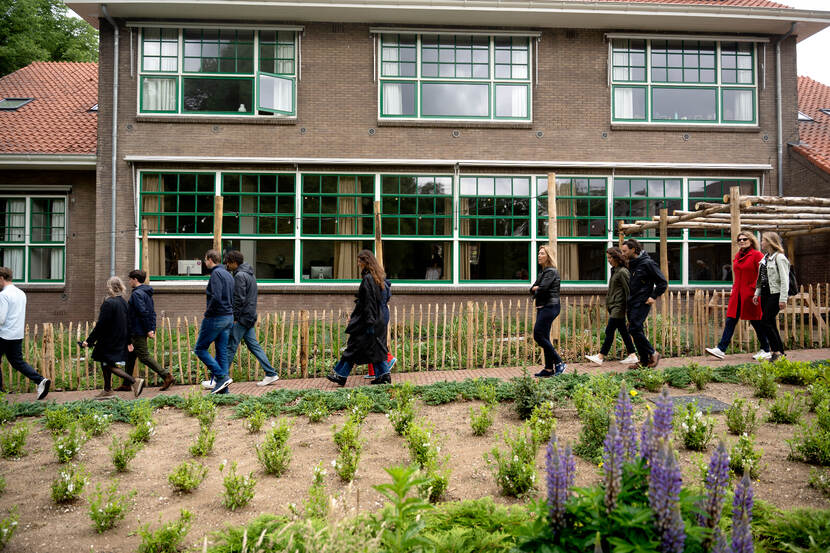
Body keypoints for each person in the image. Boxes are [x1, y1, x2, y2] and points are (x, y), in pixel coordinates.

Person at [326, 250, 388, 386]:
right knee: (375, 348)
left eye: (359, 261)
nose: (358, 263)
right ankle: (383, 376)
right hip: (376, 319)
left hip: (367, 321)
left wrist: (368, 321)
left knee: (355, 347)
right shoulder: (377, 278)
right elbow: (379, 300)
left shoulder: (368, 279)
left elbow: (368, 303)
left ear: (366, 262)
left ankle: (341, 375)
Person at [706, 231, 769, 361]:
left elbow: (763, 275)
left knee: (756, 321)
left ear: (751, 241)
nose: (741, 241)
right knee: (730, 320)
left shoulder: (757, 255)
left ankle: (766, 349)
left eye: (744, 239)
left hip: (751, 295)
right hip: (738, 294)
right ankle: (721, 349)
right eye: (739, 239)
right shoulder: (738, 256)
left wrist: (755, 290)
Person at [222, 250, 279, 387]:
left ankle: (221, 377)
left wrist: (234, 317)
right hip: (249, 316)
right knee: (254, 346)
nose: (227, 266)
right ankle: (271, 373)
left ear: (234, 262)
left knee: (230, 346)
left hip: (242, 318)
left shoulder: (240, 276)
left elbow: (239, 299)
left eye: (228, 263)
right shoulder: (250, 274)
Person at [83, 277, 144, 399]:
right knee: (106, 362)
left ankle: (133, 381)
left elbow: (101, 325)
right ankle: (107, 390)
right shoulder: (123, 302)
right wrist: (128, 341)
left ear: (110, 287)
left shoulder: (109, 303)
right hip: (119, 338)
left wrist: (89, 341)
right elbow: (129, 324)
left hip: (108, 339)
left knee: (107, 363)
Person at [118, 269, 174, 391]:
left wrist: (149, 329)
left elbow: (143, 312)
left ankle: (166, 375)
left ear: (135, 280)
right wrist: (151, 328)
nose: (129, 282)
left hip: (137, 330)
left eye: (130, 279)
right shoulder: (146, 293)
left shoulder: (137, 294)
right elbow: (152, 313)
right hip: (139, 329)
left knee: (144, 356)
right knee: (130, 355)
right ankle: (127, 383)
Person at [0, 267, 50, 399]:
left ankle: (0, 391)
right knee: (18, 362)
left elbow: (1, 319)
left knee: (15, 362)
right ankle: (40, 380)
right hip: (17, 334)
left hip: (3, 334)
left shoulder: (3, 295)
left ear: (1, 278)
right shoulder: (21, 293)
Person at [585, 247, 638, 366]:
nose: (608, 260)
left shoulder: (623, 272)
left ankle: (600, 356)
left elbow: (629, 290)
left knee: (609, 330)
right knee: (623, 331)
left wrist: (630, 309)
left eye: (610, 258)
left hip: (619, 306)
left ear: (616, 258)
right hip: (614, 305)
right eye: (607, 258)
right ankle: (633, 355)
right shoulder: (615, 270)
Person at [620, 238, 668, 369]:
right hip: (632, 301)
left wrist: (653, 296)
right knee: (635, 329)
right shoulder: (632, 263)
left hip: (642, 301)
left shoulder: (647, 263)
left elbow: (663, 282)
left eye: (624, 251)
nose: (622, 253)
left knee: (634, 328)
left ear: (633, 250)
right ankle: (644, 361)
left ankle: (653, 353)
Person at [194, 249, 235, 394]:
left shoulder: (216, 274)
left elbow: (216, 297)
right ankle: (224, 391)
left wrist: (208, 313)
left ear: (210, 259)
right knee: (221, 351)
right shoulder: (228, 275)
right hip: (228, 317)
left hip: (216, 317)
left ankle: (222, 377)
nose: (205, 263)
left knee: (200, 349)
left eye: (205, 260)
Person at [753, 232, 790, 362]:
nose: (761, 242)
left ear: (770, 242)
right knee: (771, 323)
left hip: (776, 293)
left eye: (763, 240)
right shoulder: (765, 258)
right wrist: (757, 293)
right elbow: (761, 279)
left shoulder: (779, 258)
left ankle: (776, 351)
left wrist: (783, 298)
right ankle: (780, 353)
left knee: (765, 321)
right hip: (765, 293)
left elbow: (785, 280)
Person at [530, 245, 565, 378]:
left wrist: (537, 288)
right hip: (543, 307)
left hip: (550, 306)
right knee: (543, 336)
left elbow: (542, 289)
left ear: (548, 256)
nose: (539, 255)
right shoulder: (543, 272)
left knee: (538, 335)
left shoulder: (551, 272)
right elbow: (532, 288)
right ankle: (549, 368)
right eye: (539, 253)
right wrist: (536, 288)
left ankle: (559, 362)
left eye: (542, 253)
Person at [365, 276, 396, 381]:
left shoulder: (378, 285)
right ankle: (376, 372)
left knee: (374, 341)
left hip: (378, 315)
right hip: (382, 313)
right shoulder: (384, 284)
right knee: (374, 342)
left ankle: (388, 362)